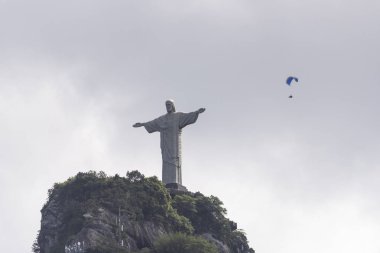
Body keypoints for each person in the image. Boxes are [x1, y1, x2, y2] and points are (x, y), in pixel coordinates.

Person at [133, 100, 205, 186]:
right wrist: (142, 124)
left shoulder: (178, 116)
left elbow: (188, 116)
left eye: (169, 104)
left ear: (173, 105)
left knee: (174, 159)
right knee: (166, 161)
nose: (168, 106)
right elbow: (153, 123)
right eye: (166, 105)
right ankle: (166, 182)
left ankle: (175, 181)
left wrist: (197, 112)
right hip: (165, 144)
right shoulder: (162, 119)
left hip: (174, 144)